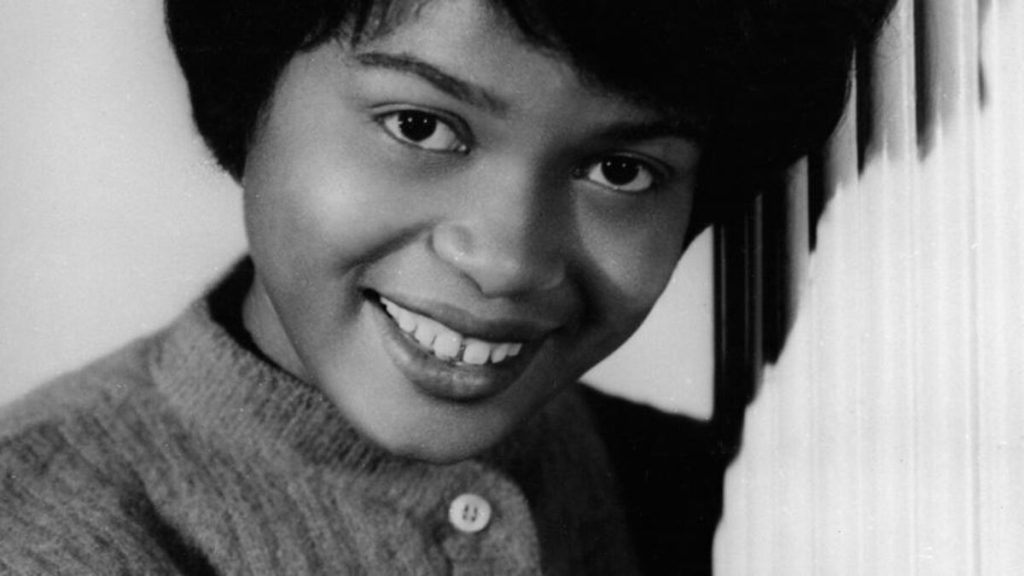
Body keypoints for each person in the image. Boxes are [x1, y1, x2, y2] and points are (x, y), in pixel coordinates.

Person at [0, 0, 893, 573]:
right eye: (421, 126)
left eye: (621, 171)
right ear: (251, 98)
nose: (506, 260)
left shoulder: (727, 491)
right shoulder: (44, 527)